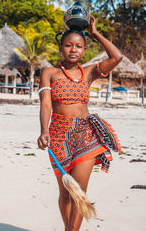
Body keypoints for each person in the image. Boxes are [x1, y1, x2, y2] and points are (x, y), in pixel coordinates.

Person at [37, 14, 122, 231]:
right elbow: (46, 104)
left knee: (78, 190)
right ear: (60, 47)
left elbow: (117, 56)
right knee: (66, 193)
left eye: (79, 46)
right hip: (58, 134)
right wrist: (43, 130)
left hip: (86, 133)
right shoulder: (49, 73)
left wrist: (95, 33)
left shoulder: (90, 72)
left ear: (84, 50)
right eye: (68, 45)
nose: (73, 49)